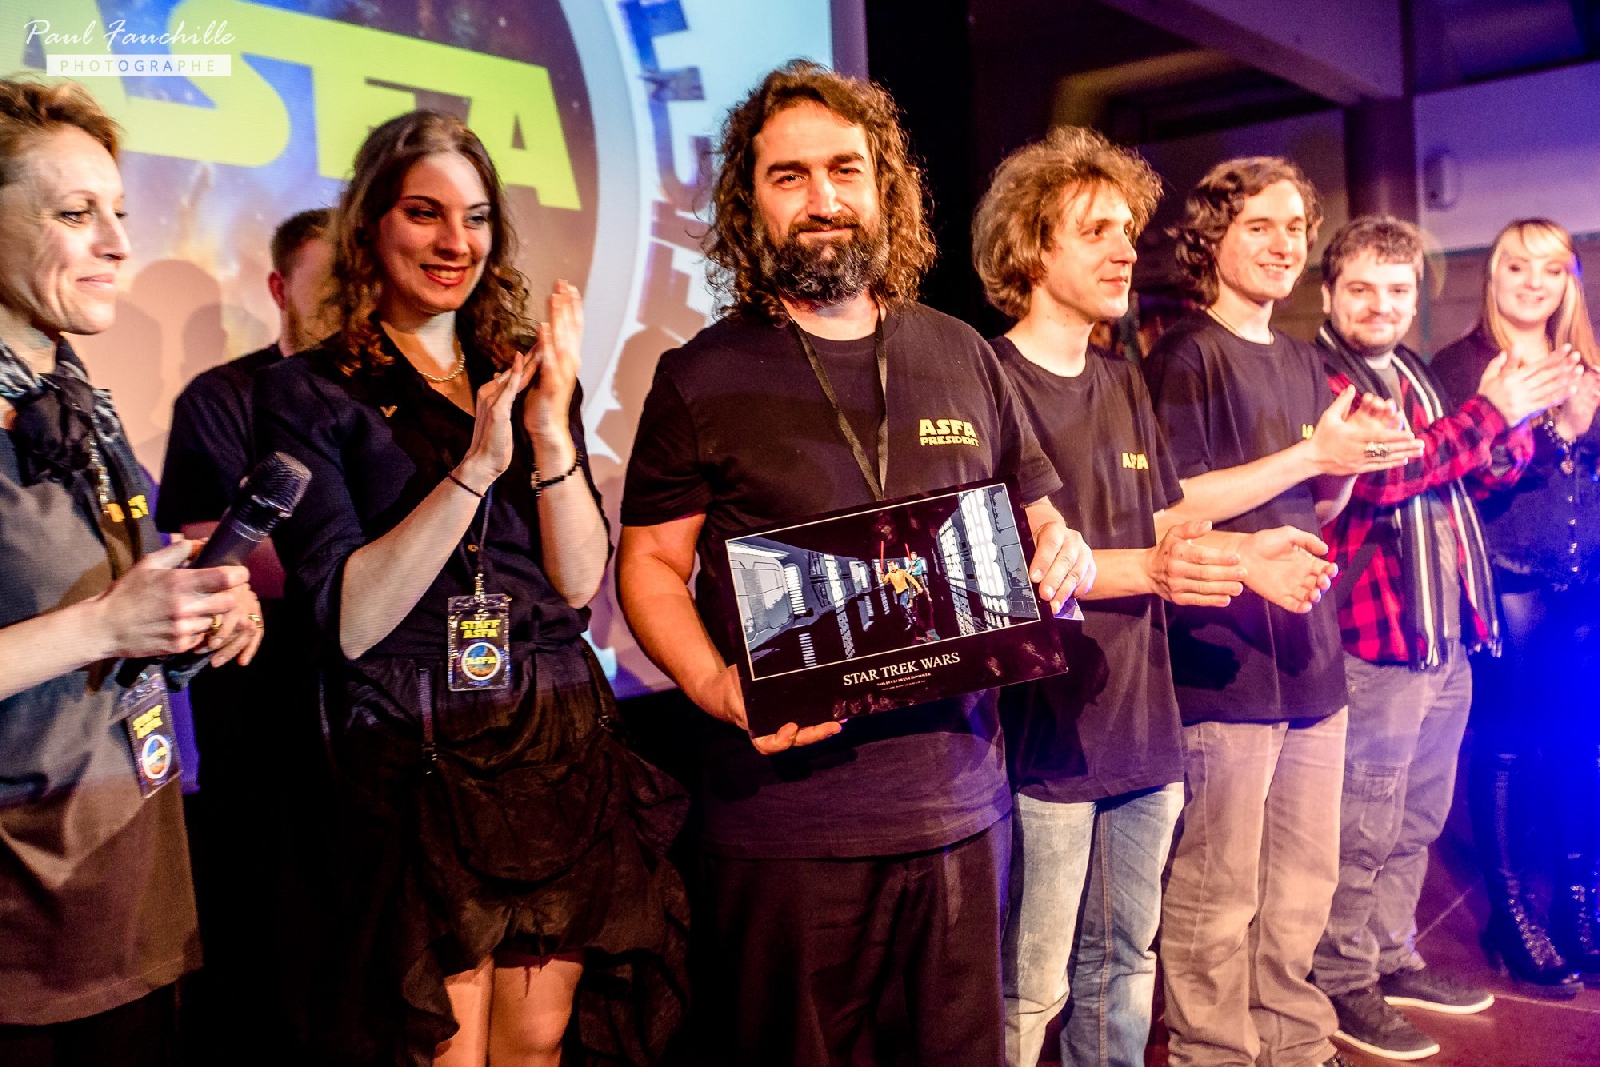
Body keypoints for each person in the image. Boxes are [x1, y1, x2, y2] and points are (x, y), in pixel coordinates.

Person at [617, 60, 1094, 1067]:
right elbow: (651, 564)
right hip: (785, 823)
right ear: (748, 203)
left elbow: (1041, 519)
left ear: (886, 188)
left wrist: (1064, 549)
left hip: (961, 806)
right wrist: (715, 684)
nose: (823, 199)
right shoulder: (699, 375)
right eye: (788, 177)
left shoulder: (962, 351)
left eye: (845, 170)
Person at [253, 110, 687, 1067]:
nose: (456, 241)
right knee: (443, 1046)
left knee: (537, 1044)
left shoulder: (521, 371)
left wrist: (548, 430)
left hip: (554, 734)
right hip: (415, 748)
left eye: (477, 217)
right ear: (371, 225)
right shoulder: (310, 392)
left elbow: (577, 582)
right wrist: (475, 468)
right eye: (425, 213)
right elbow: (350, 619)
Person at [971, 127, 1336, 1067]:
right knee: (1031, 990)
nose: (1125, 250)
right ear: (1030, 247)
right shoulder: (985, 380)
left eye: (1128, 231)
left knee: (1125, 971)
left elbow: (1167, 519)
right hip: (1045, 739)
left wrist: (1247, 554)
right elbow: (1014, 570)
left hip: (1144, 725)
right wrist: (1161, 567)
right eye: (1095, 230)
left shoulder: (1123, 379)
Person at [0, 77, 262, 1065]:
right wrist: (106, 624)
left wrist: (204, 603)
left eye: (119, 212)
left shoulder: (80, 404)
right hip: (22, 940)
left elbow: (127, 601)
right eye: (75, 214)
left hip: (129, 896)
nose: (117, 242)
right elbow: (97, 620)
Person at [1141, 157, 1423, 1067]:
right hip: (1222, 656)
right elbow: (1173, 503)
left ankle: (1296, 1045)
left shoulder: (1302, 359)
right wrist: (1312, 457)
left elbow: (1315, 506)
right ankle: (1215, 1052)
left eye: (1296, 226)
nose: (1283, 243)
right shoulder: (1185, 354)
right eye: (1259, 225)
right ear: (1211, 237)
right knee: (1218, 891)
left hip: (1310, 652)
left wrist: (1347, 466)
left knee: (1303, 884)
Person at [1311, 216, 1580, 1058]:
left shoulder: (1416, 373)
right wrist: (1491, 412)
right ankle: (1341, 977)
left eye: (1397, 289)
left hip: (1443, 629)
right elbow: (1390, 472)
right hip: (1377, 638)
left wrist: (1512, 424)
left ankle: (1391, 956)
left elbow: (1471, 475)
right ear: (1329, 294)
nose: (1381, 304)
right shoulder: (1324, 376)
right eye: (1362, 288)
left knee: (1419, 818)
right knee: (1363, 824)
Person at [155, 206, 336, 1063]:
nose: (351, 302)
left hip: (366, 727)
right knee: (265, 965)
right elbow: (216, 556)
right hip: (260, 727)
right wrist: (363, 566)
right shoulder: (223, 397)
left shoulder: (376, 399)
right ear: (279, 287)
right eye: (329, 284)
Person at [1431, 218, 1600, 999]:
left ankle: (1578, 908)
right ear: (1491, 275)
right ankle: (1511, 917)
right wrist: (1555, 429)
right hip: (1506, 580)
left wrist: (1583, 432)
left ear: (1570, 281)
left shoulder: (1585, 361)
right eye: (1516, 267)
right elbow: (1462, 477)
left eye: (1550, 269)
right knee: (1508, 746)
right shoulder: (1462, 365)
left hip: (1581, 582)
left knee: (1577, 745)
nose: (1534, 282)